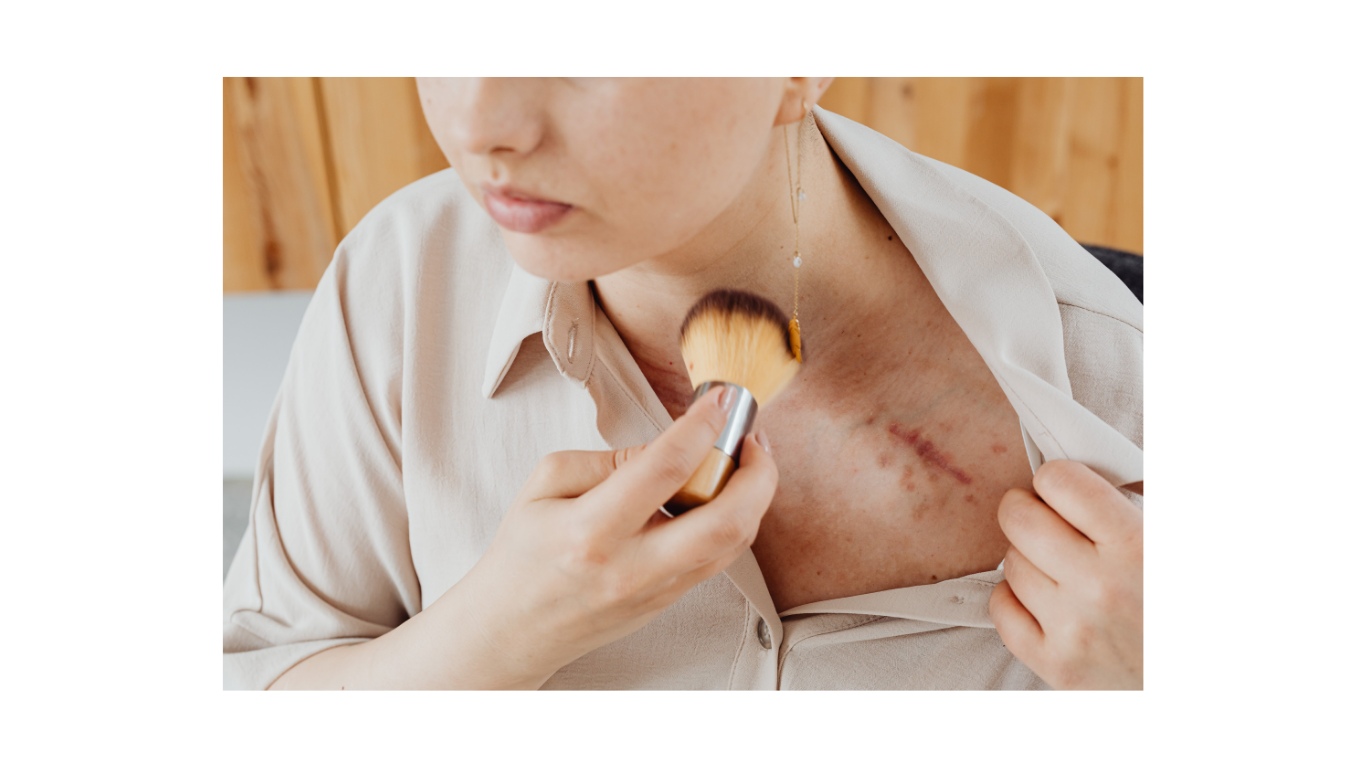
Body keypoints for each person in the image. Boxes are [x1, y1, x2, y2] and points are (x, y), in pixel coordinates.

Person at [222, 77, 1144, 698]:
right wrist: (489, 638)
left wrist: (1189, 668)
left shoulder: (1125, 377)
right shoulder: (398, 285)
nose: (479, 125)